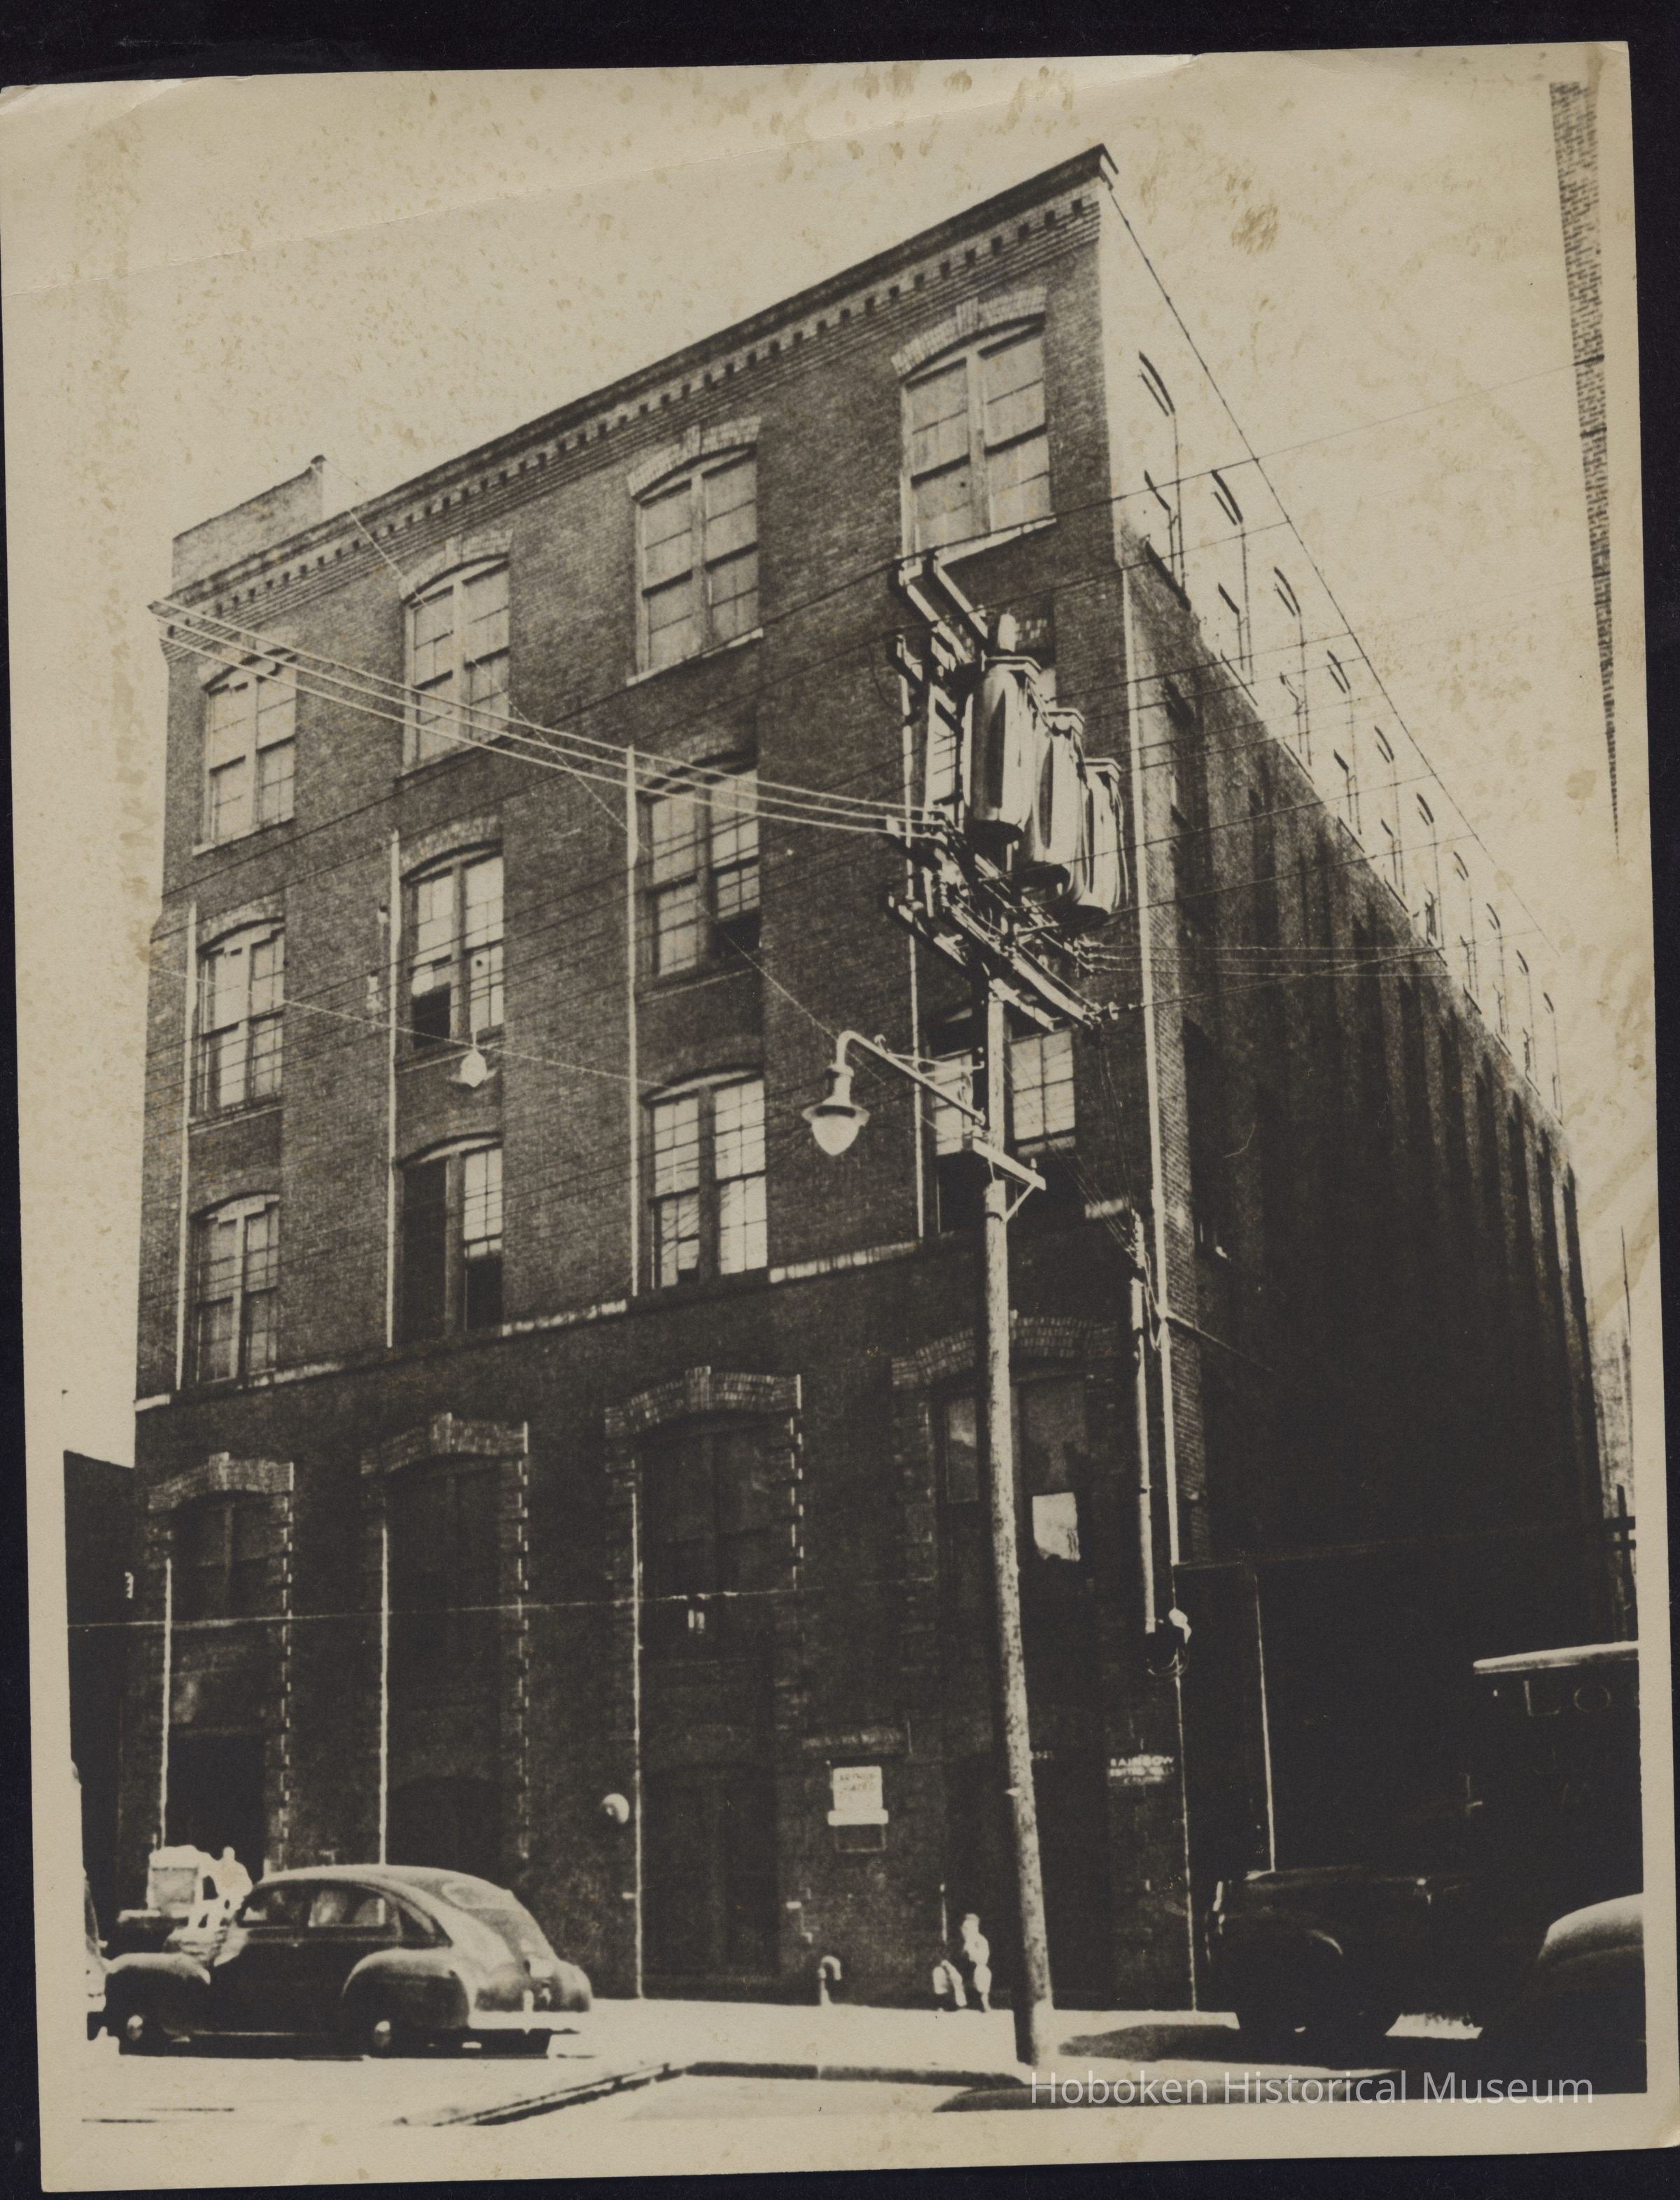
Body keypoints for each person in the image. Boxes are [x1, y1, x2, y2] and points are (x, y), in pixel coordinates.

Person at [956, 1912, 993, 2013]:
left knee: (982, 1970)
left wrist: (970, 1948)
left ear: (976, 1928)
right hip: (958, 1973)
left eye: (969, 1928)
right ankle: (954, 2003)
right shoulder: (956, 1941)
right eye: (964, 1928)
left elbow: (983, 1960)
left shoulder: (981, 1941)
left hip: (974, 1972)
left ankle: (984, 2001)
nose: (965, 1931)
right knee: (940, 1972)